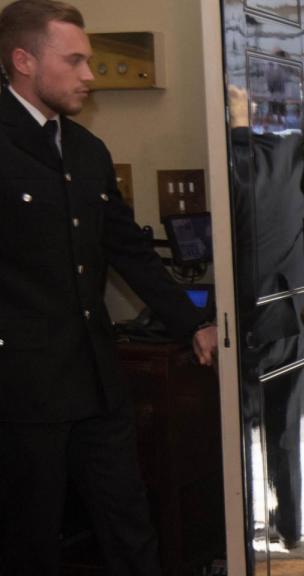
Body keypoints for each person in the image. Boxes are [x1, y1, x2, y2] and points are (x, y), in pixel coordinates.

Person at [0, 2, 218, 573]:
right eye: (73, 61)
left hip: (96, 380)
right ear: (24, 61)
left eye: (89, 61)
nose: (89, 75)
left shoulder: (86, 151)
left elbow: (130, 253)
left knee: (130, 525)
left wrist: (193, 322)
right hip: (21, 392)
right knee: (31, 540)